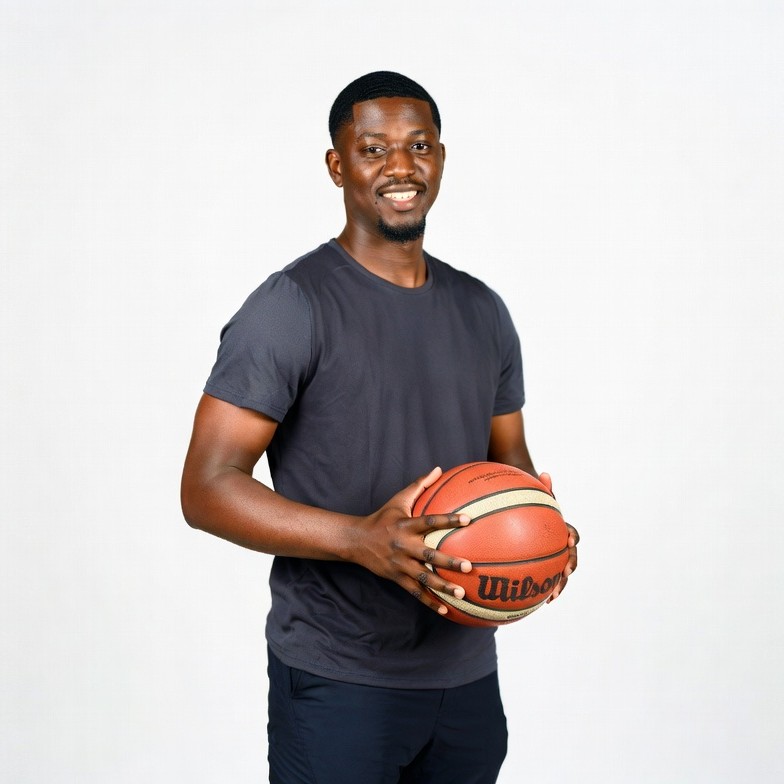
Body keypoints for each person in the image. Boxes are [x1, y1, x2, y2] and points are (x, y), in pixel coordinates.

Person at [181, 71, 579, 784]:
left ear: (442, 159)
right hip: (339, 677)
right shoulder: (290, 306)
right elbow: (205, 488)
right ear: (338, 166)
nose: (401, 167)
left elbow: (511, 462)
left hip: (465, 673)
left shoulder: (484, 310)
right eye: (374, 149)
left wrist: (543, 531)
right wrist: (358, 539)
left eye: (418, 146)